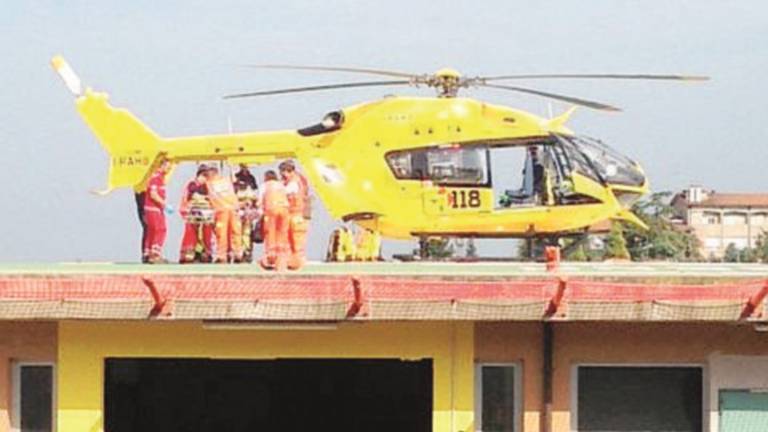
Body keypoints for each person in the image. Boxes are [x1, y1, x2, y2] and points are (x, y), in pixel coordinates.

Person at [206, 166, 243, 263]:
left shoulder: (209, 184)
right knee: (236, 232)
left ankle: (222, 255)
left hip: (222, 211)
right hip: (233, 209)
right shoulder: (227, 180)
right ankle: (237, 254)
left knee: (222, 234)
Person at [179, 165, 214, 263]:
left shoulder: (207, 187)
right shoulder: (191, 185)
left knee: (206, 234)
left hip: (205, 215)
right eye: (204, 176)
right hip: (193, 214)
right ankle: (189, 253)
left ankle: (204, 252)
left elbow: (211, 198)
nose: (205, 178)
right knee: (191, 234)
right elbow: (188, 198)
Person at [279, 160, 310, 270]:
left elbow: (284, 193)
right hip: (292, 214)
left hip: (296, 214)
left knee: (296, 240)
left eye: (283, 173)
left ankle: (298, 262)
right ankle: (292, 261)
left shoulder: (294, 182)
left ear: (289, 171)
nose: (282, 176)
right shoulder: (296, 180)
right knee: (289, 239)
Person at [258, 170, 289, 271]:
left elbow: (260, 199)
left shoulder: (265, 186)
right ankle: (282, 262)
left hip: (271, 210)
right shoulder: (281, 185)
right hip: (284, 211)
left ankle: (270, 260)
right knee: (281, 236)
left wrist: (259, 214)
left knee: (270, 234)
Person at [143, 160, 172, 264]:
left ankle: (147, 252)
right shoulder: (156, 178)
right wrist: (164, 204)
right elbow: (153, 194)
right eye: (168, 167)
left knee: (151, 231)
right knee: (161, 229)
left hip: (151, 208)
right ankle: (155, 254)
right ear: (162, 165)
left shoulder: (158, 178)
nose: (169, 170)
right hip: (154, 208)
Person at [234, 165, 259, 262]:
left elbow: (255, 197)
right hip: (239, 211)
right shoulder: (236, 183)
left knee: (247, 232)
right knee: (238, 231)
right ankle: (238, 252)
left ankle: (246, 251)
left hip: (248, 212)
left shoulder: (251, 181)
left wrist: (254, 206)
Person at [134, 186, 149, 263]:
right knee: (148, 228)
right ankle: (146, 254)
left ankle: (147, 253)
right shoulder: (140, 185)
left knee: (148, 228)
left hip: (144, 206)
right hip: (144, 206)